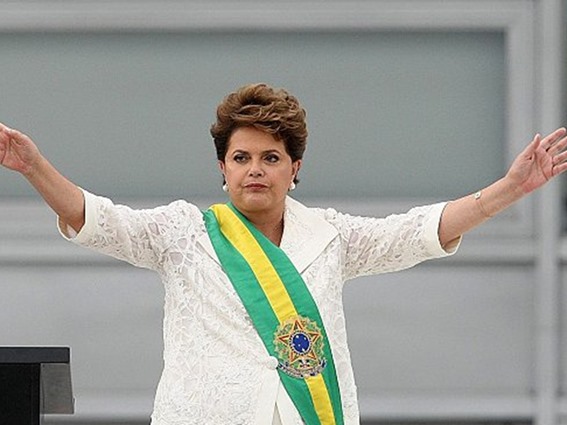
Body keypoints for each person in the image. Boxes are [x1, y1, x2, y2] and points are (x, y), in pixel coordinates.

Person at [1, 83, 566, 425]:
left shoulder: (330, 236)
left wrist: (509, 189)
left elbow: (416, 232)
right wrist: (33, 167)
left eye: (270, 158)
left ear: (294, 169)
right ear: (222, 168)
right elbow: (96, 220)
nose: (255, 170)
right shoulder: (183, 233)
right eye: (242, 157)